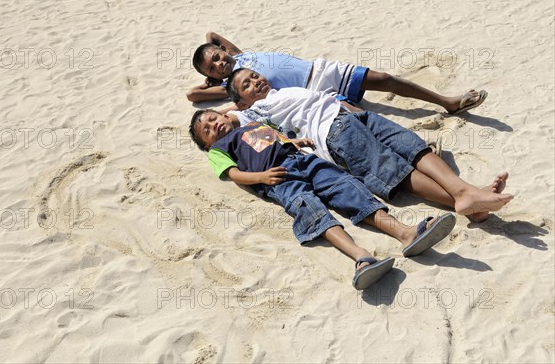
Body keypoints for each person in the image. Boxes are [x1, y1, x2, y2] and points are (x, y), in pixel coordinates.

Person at [189, 109, 458, 290]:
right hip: (280, 178)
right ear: (207, 145)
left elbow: (278, 137)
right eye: (207, 130)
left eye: (213, 118)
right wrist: (260, 177)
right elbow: (234, 173)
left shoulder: (251, 124)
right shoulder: (219, 150)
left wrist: (294, 142)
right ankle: (361, 257)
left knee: (347, 189)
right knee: (313, 212)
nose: (214, 125)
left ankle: (405, 233)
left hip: (303, 160)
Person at [224, 68, 513, 222]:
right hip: (333, 135)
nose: (254, 82)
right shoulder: (253, 113)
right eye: (246, 86)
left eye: (254, 76)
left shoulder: (281, 89)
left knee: (412, 147)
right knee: (395, 171)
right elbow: (224, 118)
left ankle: (469, 195)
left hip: (354, 116)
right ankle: (465, 199)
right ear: (241, 102)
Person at [187, 32, 487, 115]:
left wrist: (218, 54)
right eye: (212, 67)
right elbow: (192, 95)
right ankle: (414, 149)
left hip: (321, 68)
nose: (219, 64)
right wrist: (214, 81)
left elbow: (213, 33)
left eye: (217, 57)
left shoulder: (240, 54)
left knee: (384, 79)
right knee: (359, 117)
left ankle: (446, 101)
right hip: (312, 92)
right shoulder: (235, 85)